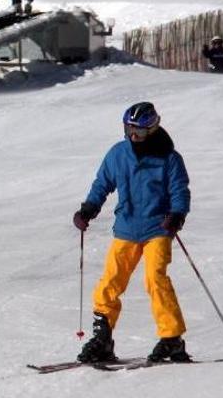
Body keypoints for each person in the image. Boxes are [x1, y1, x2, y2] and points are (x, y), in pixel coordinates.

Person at [72, 102, 191, 364]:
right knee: (110, 282)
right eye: (129, 128)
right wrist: (89, 208)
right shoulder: (118, 154)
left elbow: (180, 191)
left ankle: (172, 338)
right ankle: (102, 338)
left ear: (153, 128)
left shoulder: (169, 158)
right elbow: (102, 183)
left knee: (155, 279)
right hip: (126, 228)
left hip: (157, 229)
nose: (133, 135)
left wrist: (177, 215)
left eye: (139, 131)